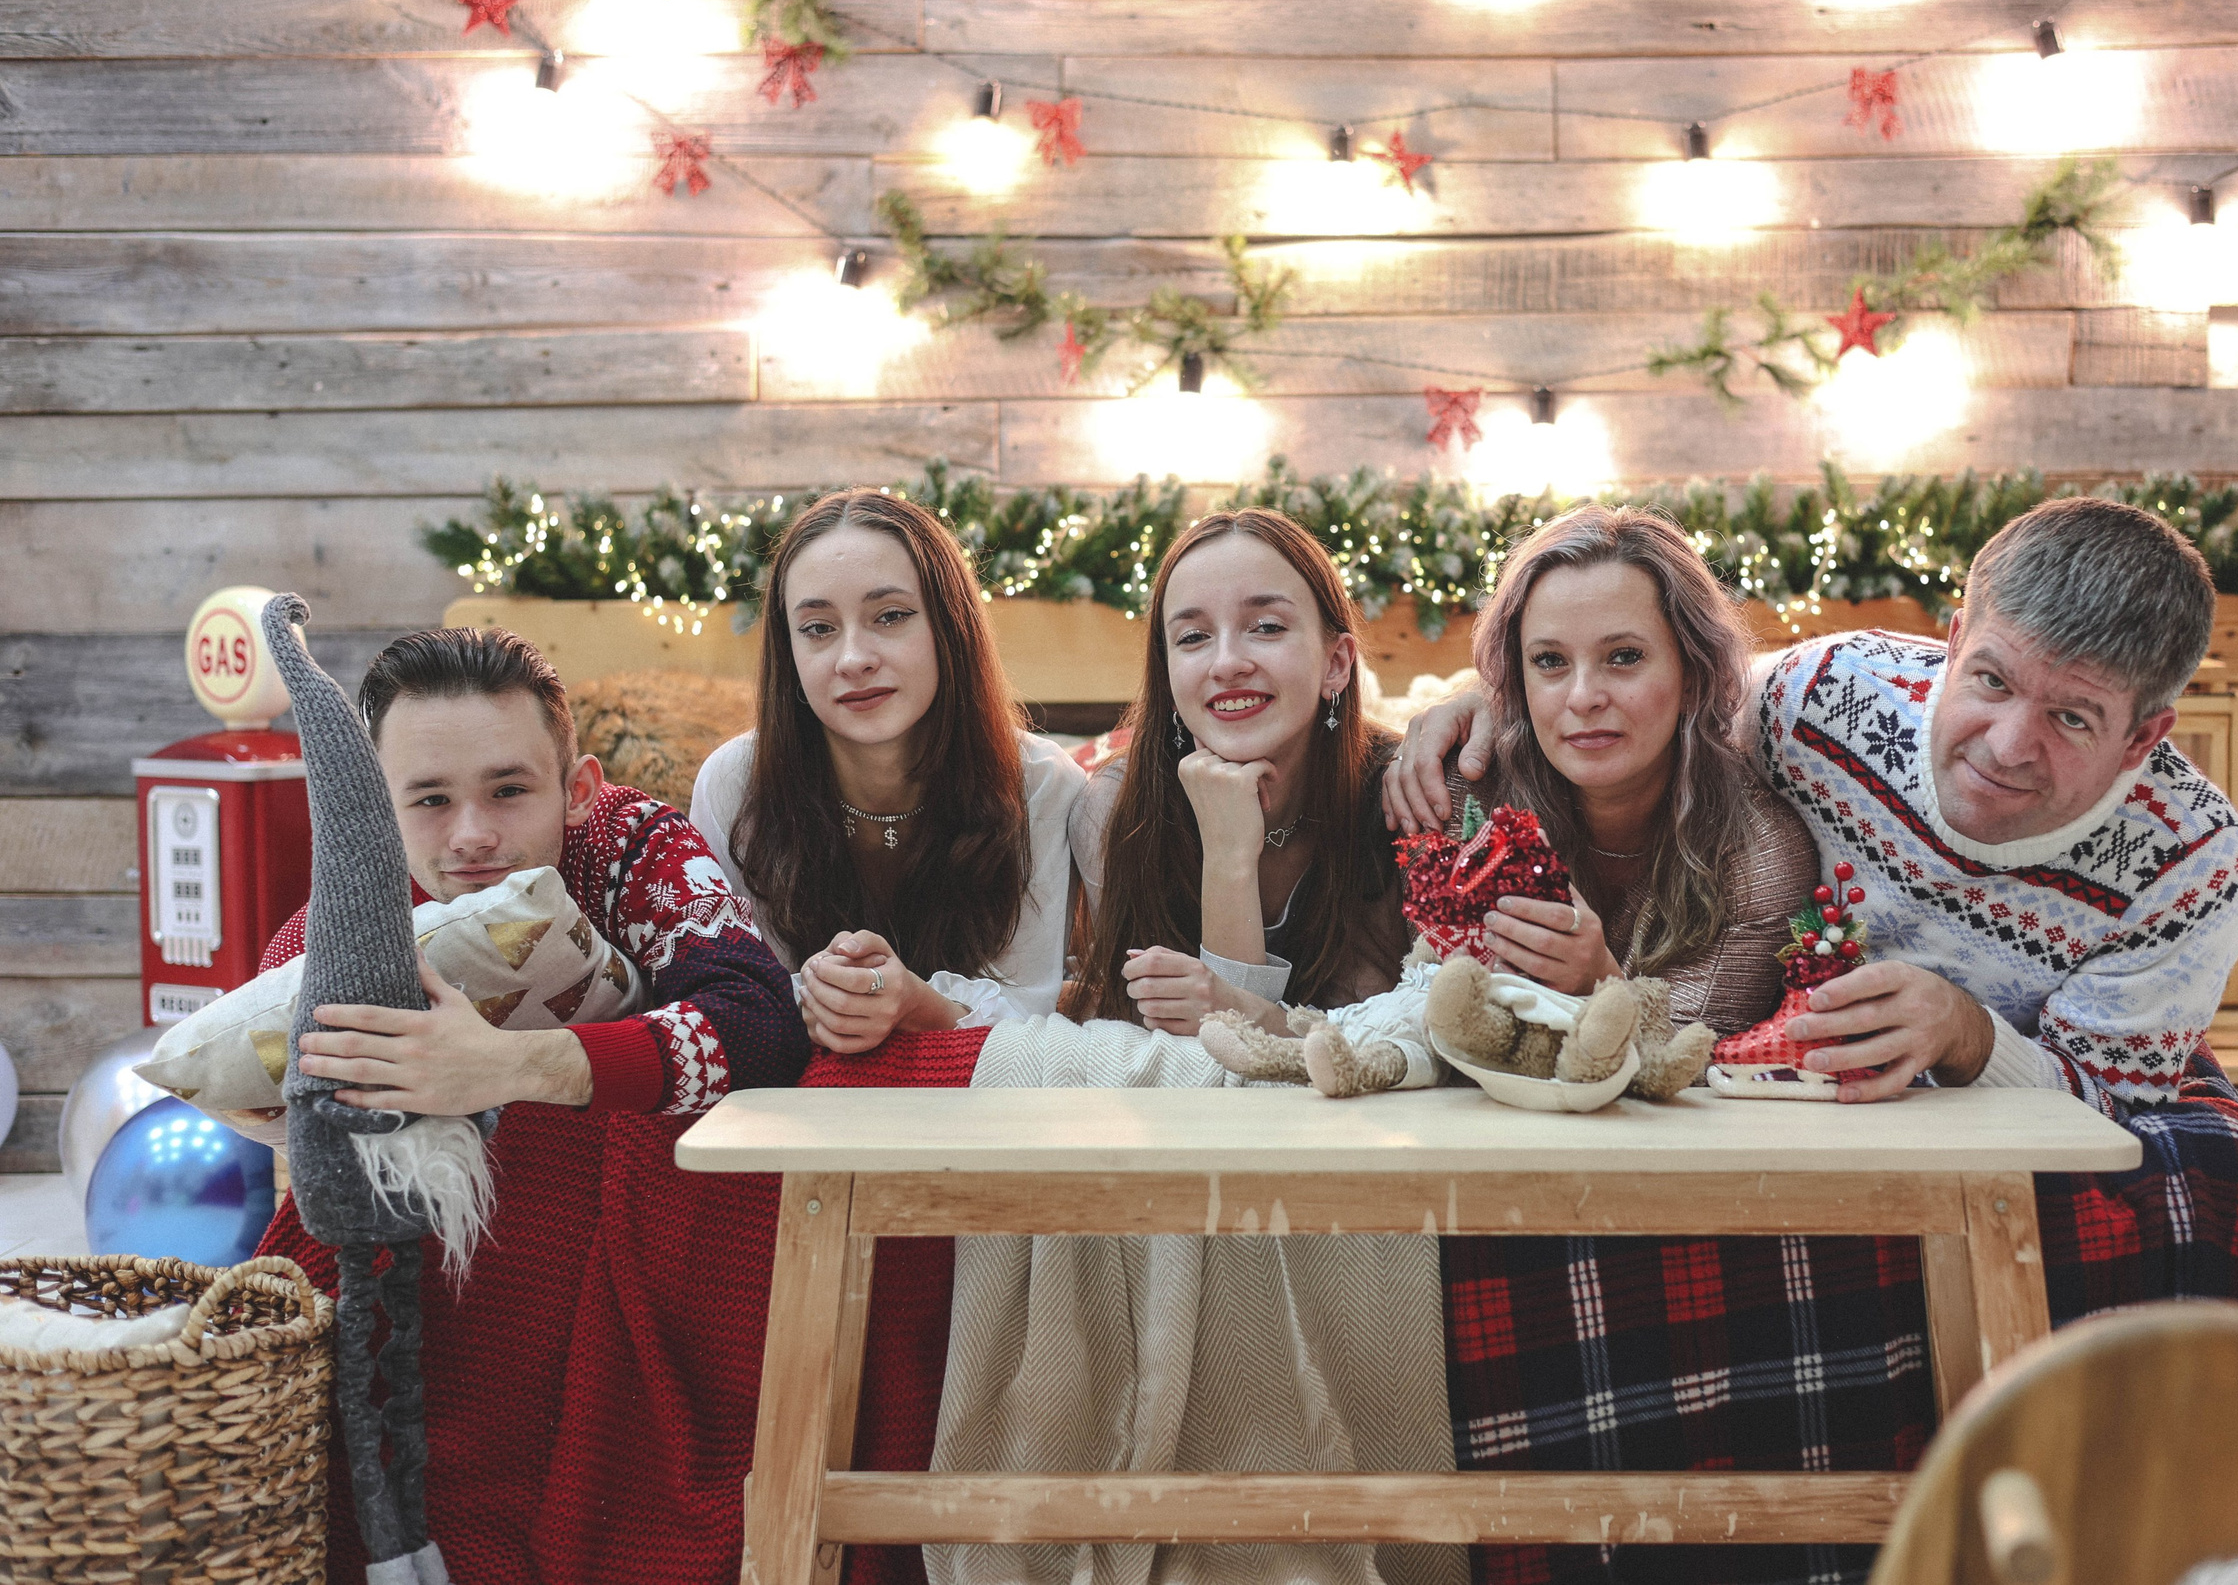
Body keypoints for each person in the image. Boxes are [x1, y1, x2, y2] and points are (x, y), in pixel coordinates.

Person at [1393, 494, 2238, 1319]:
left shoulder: (2193, 860)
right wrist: (1496, 700)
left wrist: (1970, 1034)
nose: (2008, 746)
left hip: (2009, 1084)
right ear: (1956, 636)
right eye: (1993, 682)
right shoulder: (1827, 694)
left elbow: (2112, 1103)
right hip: (1789, 1057)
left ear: (2144, 735)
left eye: (2074, 719)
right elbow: (1665, 697)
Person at [250, 626, 808, 1585]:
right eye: (428, 800)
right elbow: (279, 1065)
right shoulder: (344, 913)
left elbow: (760, 1020)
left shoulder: (632, 846)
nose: (471, 832)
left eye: (509, 790)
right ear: (374, 813)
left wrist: (515, 1067)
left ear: (578, 788)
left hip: (633, 1231)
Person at [689, 489, 1087, 1050]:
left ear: (950, 628)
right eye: (818, 629)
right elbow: (733, 996)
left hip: (985, 1109)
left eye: (891, 616)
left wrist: (917, 1005)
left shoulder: (1043, 783)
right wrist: (821, 995)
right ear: (789, 651)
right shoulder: (734, 782)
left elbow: (1030, 1010)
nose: (853, 659)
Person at [1070, 508, 1407, 1031]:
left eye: (1266, 627)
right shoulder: (1114, 811)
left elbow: (1404, 1040)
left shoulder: (1404, 796)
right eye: (1193, 637)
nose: (1226, 663)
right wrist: (1228, 857)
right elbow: (1184, 1064)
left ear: (1337, 662)